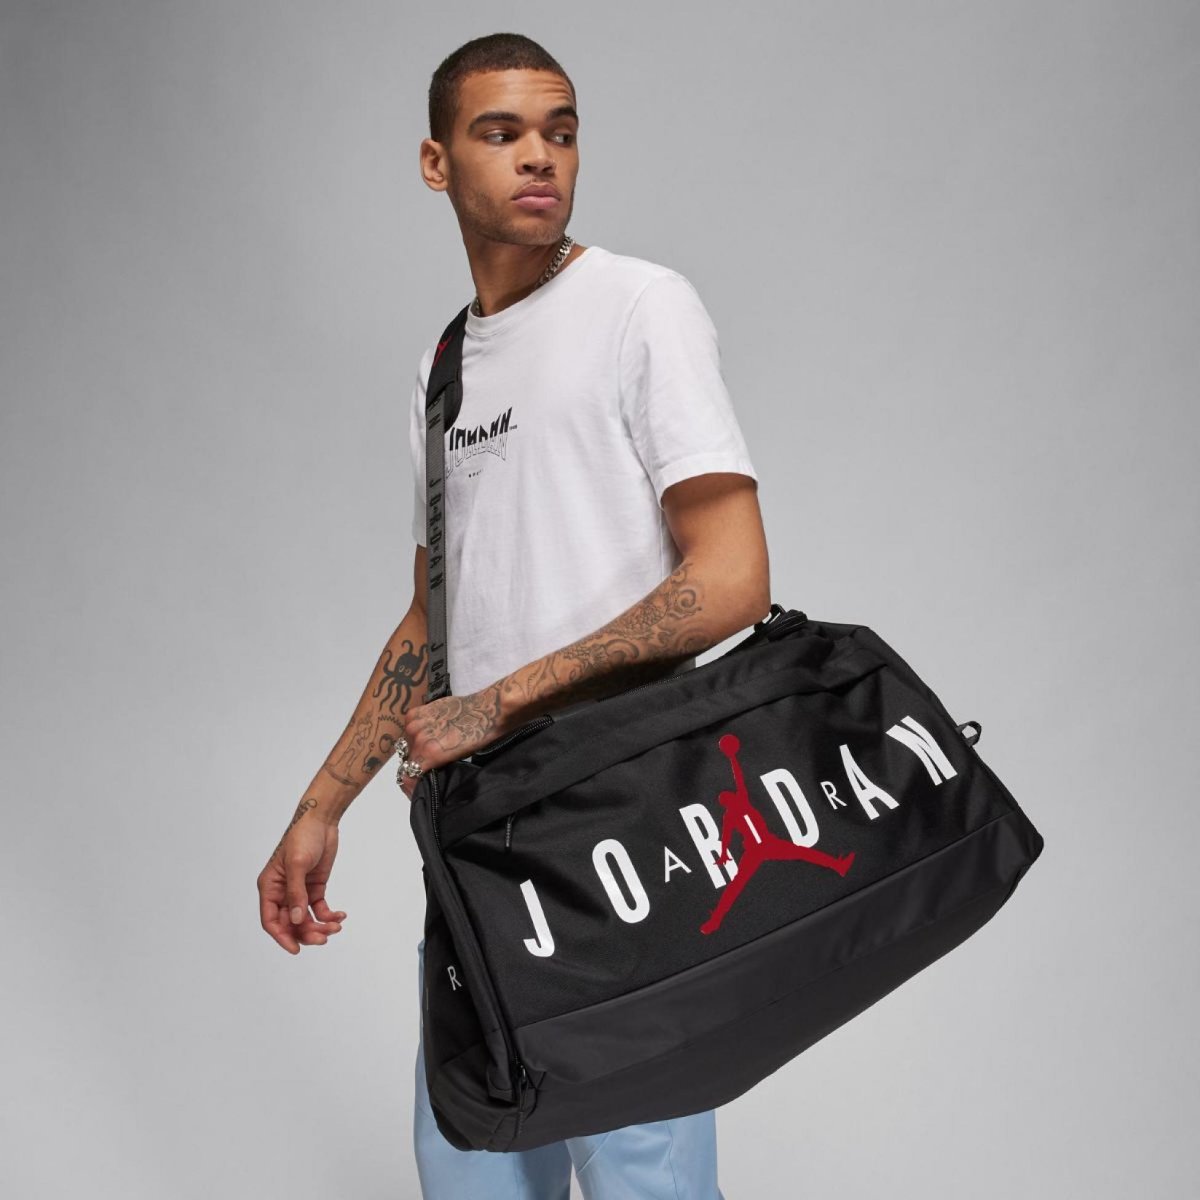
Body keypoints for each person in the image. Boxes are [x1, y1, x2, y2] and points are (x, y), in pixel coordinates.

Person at [257, 32, 770, 1200]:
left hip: (625, 835)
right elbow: (432, 618)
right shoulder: (446, 368)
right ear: (437, 163)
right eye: (503, 133)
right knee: (473, 1167)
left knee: (646, 1173)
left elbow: (733, 578)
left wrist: (497, 705)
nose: (541, 156)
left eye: (561, 131)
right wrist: (322, 804)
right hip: (480, 844)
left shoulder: (641, 307)